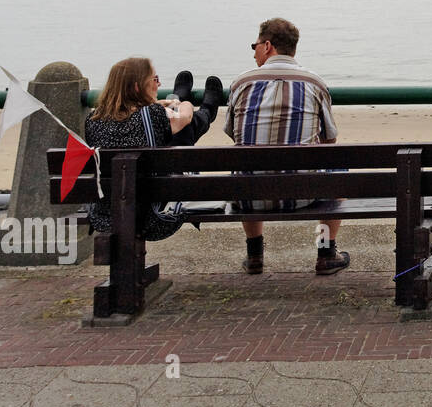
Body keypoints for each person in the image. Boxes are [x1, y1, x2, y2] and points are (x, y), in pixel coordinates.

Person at [224, 17, 348, 276]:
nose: (254, 51)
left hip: (248, 197)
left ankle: (254, 254)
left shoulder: (240, 83)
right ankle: (326, 253)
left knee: (247, 160)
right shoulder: (314, 83)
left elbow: (233, 135)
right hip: (302, 195)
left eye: (255, 46)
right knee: (337, 163)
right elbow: (329, 140)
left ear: (267, 46)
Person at [84, 57, 223, 239]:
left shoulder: (93, 119)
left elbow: (125, 120)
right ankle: (206, 110)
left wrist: (157, 104)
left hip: (106, 215)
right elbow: (186, 117)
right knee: (184, 130)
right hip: (152, 218)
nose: (159, 83)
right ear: (137, 87)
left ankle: (195, 106)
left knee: (169, 134)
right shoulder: (152, 115)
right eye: (155, 79)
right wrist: (183, 103)